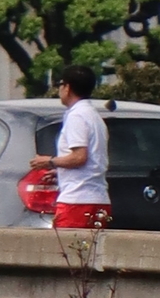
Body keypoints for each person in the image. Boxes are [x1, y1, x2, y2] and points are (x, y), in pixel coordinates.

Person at [32, 64, 109, 230]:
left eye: (61, 84)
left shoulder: (77, 116)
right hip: (98, 199)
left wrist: (50, 161)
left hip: (77, 201)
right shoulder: (94, 116)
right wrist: (60, 170)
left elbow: (79, 157)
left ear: (67, 87)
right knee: (89, 255)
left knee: (66, 253)